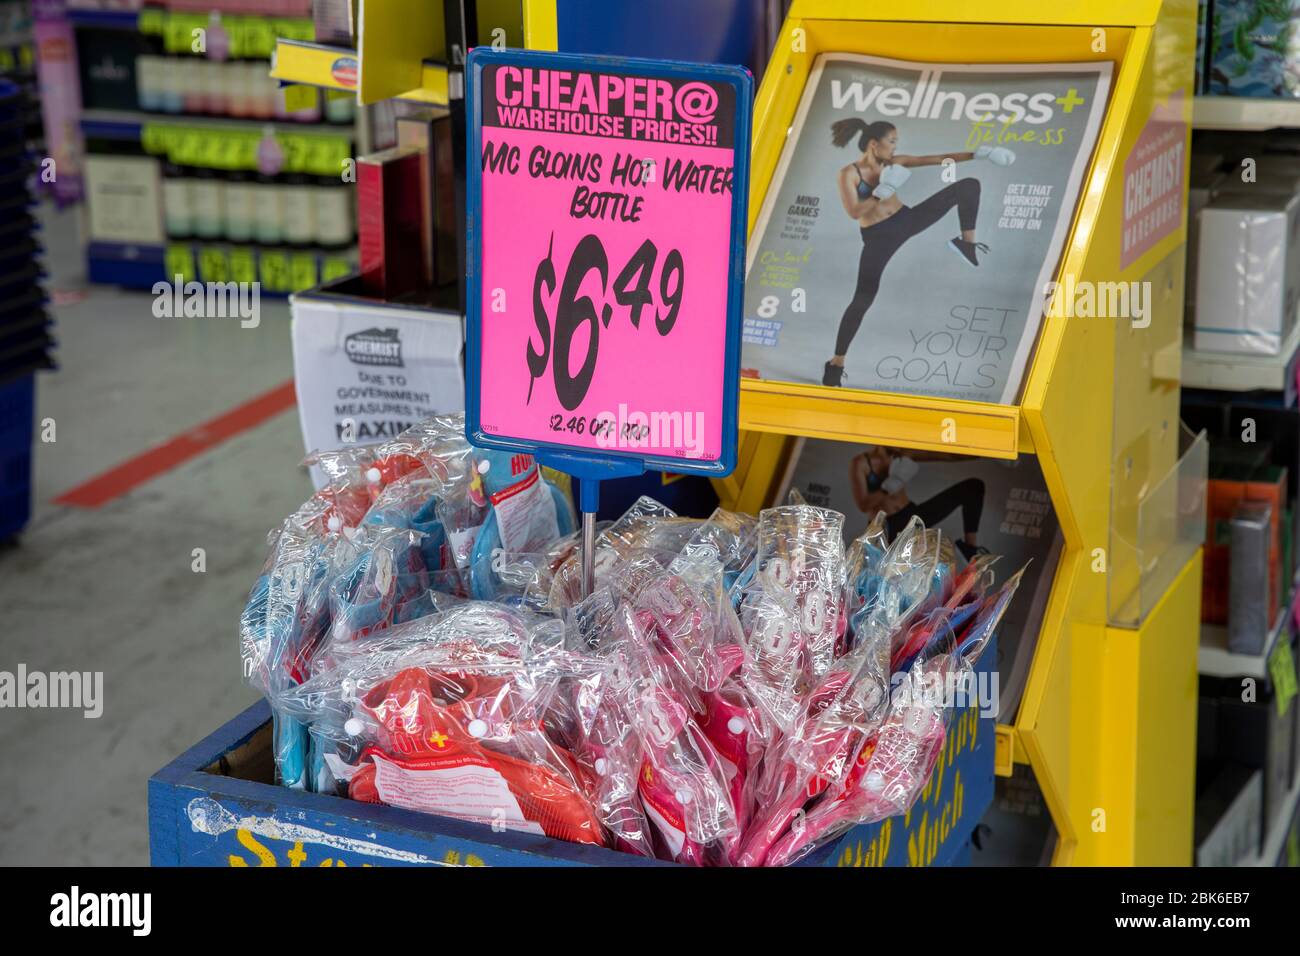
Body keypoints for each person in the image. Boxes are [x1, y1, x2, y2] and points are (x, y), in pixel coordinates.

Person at [823, 118, 1015, 387]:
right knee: (863, 298)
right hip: (879, 237)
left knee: (968, 185)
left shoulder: (895, 163)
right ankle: (836, 362)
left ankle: (966, 243)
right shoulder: (849, 174)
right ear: (874, 144)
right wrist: (883, 191)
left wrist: (979, 154)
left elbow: (937, 159)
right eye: (891, 142)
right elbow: (854, 212)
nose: (894, 147)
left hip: (907, 219)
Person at [848, 446, 989, 562]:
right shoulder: (861, 463)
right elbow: (863, 505)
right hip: (886, 526)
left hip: (911, 515)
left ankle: (970, 548)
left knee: (973, 487)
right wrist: (889, 487)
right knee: (888, 578)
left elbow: (946, 455)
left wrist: (987, 452)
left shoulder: (902, 454)